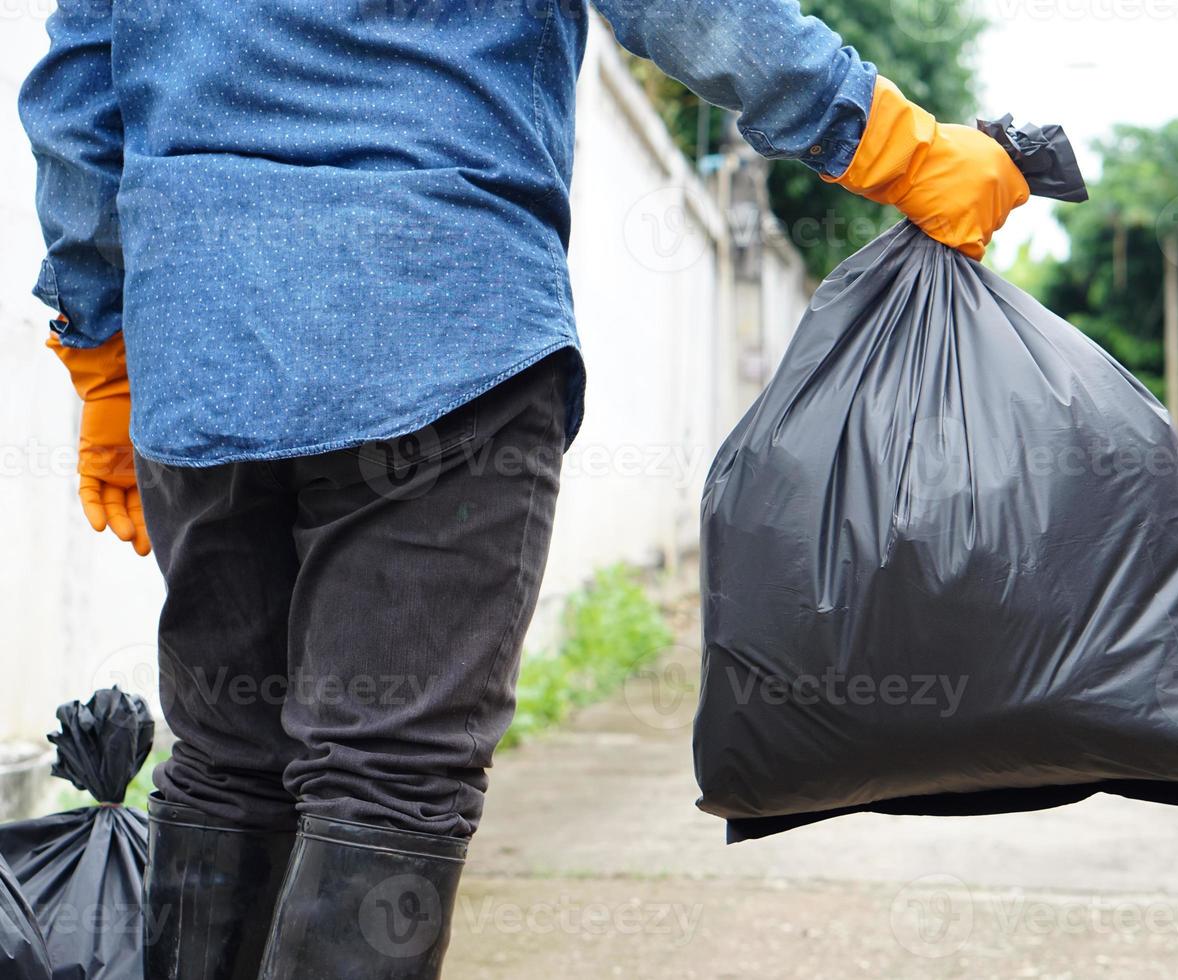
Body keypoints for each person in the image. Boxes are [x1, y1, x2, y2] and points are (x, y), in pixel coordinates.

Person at [20, 0, 1030, 976]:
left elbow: (76, 91)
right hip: (443, 323)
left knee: (226, 751)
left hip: (203, 339)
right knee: (387, 776)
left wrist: (101, 344)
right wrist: (899, 144)